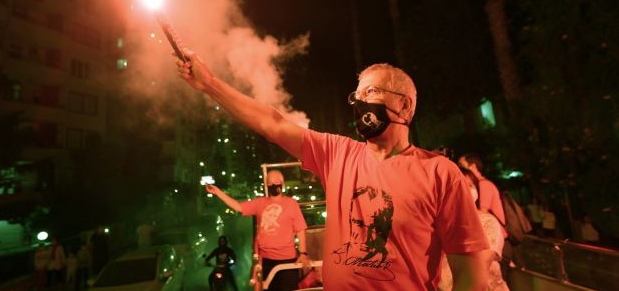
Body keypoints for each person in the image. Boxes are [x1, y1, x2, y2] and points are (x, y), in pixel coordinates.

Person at [177, 52, 490, 289]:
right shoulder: (337, 153)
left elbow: (470, 277)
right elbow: (273, 123)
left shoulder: (441, 174)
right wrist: (210, 85)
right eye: (357, 96)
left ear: (406, 106)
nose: (360, 104)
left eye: (371, 93)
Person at [206, 170, 308, 291]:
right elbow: (238, 206)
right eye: (270, 182)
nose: (274, 184)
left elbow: (300, 229)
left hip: (287, 260)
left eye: (277, 182)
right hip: (266, 260)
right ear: (266, 185)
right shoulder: (260, 203)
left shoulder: (291, 204)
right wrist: (218, 192)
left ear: (282, 183)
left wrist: (303, 253)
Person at [439, 168, 509, 291]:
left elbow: (477, 271)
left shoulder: (487, 222)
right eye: (460, 185)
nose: (466, 189)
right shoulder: (440, 222)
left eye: (470, 185)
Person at [458, 153, 507, 235]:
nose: (458, 169)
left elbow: (482, 213)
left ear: (473, 166)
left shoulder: (483, 185)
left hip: (495, 237)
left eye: (461, 166)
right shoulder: (480, 184)